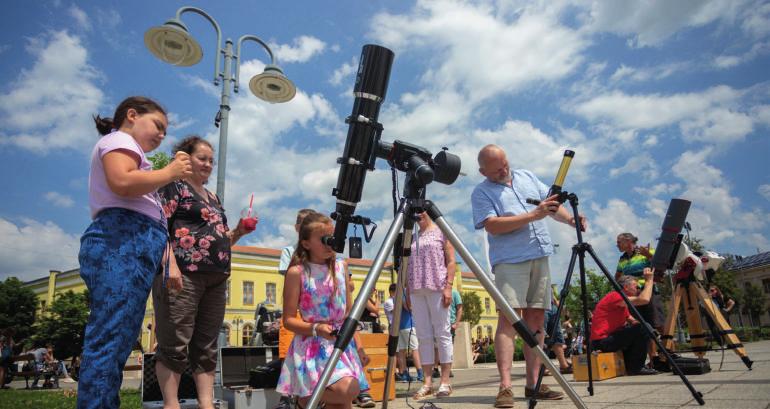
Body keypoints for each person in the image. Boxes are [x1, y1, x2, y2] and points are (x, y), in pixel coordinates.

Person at [78, 96, 192, 409]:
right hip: (121, 240)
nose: (162, 135)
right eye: (158, 125)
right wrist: (169, 172)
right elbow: (123, 181)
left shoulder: (133, 152)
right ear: (131, 115)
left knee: (118, 337)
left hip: (130, 243)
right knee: (111, 337)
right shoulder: (118, 140)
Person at [471, 144, 587, 407]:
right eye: (497, 169)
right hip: (510, 260)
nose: (504, 170)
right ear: (482, 171)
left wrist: (570, 220)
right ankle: (505, 387)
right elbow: (492, 226)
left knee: (536, 318)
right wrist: (532, 215)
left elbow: (552, 205)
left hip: (540, 253)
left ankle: (534, 383)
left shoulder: (526, 177)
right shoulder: (481, 192)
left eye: (505, 164)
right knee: (510, 320)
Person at [153, 135, 256, 409]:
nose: (208, 164)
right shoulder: (173, 186)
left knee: (207, 345)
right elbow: (158, 226)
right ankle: (171, 404)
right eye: (202, 158)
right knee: (175, 343)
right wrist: (169, 264)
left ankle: (206, 404)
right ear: (185, 158)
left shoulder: (213, 197)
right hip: (183, 274)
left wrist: (238, 232)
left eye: (211, 160)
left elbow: (220, 239)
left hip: (216, 277)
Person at [276, 213, 370, 409]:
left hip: (342, 342)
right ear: (306, 243)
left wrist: (359, 345)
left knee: (344, 402)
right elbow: (288, 320)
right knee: (347, 390)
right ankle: (305, 399)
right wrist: (317, 328)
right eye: (324, 239)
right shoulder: (297, 273)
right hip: (313, 345)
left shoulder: (341, 267)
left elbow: (349, 314)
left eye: (332, 238)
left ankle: (306, 400)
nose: (330, 244)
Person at [407, 211, 456, 399]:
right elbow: (406, 264)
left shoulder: (443, 231)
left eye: (421, 212)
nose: (418, 215)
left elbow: (451, 261)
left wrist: (449, 287)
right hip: (416, 288)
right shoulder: (413, 236)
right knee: (423, 335)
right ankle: (427, 382)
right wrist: (407, 290)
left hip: (437, 285)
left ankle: (445, 381)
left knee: (442, 332)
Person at [276, 208, 318, 409]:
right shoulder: (288, 250)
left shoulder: (322, 251)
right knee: (287, 348)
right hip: (296, 306)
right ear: (296, 227)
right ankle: (287, 394)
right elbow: (290, 275)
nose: (305, 225)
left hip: (316, 308)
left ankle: (315, 390)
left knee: (313, 351)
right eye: (302, 222)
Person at [590, 269, 658, 375]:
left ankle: (631, 364)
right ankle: (635, 368)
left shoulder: (622, 303)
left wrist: (650, 331)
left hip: (608, 340)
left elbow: (631, 320)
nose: (638, 289)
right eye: (636, 286)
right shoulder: (616, 296)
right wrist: (649, 280)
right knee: (643, 328)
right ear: (626, 287)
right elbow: (644, 299)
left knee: (643, 327)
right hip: (602, 342)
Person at [615, 232, 665, 366]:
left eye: (619, 242)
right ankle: (653, 358)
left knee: (658, 323)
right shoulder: (622, 258)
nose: (617, 244)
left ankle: (669, 350)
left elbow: (661, 264)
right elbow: (618, 275)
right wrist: (618, 286)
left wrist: (648, 255)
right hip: (633, 296)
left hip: (649, 292)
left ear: (628, 241)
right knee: (643, 326)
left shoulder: (645, 251)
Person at [383, 283, 424, 383]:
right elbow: (408, 307)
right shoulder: (405, 292)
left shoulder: (394, 298)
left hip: (398, 327)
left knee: (401, 351)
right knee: (415, 349)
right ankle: (420, 374)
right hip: (407, 325)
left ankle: (405, 375)